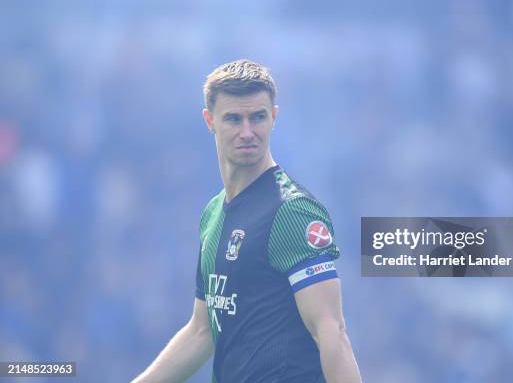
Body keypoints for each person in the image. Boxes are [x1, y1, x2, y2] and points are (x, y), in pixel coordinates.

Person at [133, 59, 361, 383]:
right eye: (233, 119)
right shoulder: (213, 214)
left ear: (274, 117)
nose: (247, 132)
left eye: (258, 118)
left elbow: (332, 332)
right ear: (209, 121)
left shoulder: (293, 212)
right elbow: (202, 332)